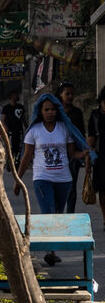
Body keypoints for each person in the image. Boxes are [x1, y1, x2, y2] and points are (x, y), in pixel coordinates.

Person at [17, 93, 86, 265]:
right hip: (42, 178)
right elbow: (26, 157)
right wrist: (18, 180)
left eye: (53, 109)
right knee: (47, 213)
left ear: (58, 110)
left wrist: (85, 153)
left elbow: (72, 154)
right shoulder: (34, 131)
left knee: (57, 215)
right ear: (40, 111)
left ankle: (52, 250)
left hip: (64, 179)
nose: (50, 112)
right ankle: (49, 251)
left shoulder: (64, 129)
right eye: (46, 109)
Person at [59, 81, 85, 213]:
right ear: (61, 94)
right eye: (67, 93)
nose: (69, 96)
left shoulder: (77, 113)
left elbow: (81, 134)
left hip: (73, 155)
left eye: (71, 94)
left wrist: (83, 154)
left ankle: (70, 214)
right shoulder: (55, 112)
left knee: (71, 188)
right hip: (58, 154)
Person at [0, 89, 26, 156]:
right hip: (10, 132)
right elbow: (2, 120)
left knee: (19, 148)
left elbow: (24, 119)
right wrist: (4, 127)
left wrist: (28, 128)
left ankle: (18, 162)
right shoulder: (6, 108)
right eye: (16, 94)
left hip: (19, 131)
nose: (18, 96)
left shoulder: (21, 107)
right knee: (10, 148)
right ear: (12, 96)